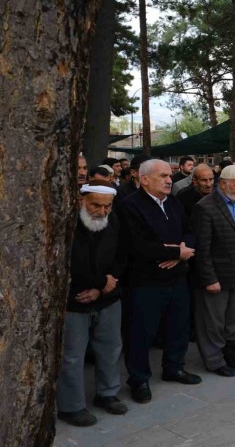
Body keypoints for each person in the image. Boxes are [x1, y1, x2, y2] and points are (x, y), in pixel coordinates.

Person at [119, 159, 201, 404]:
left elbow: (190, 231)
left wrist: (181, 251)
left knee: (178, 326)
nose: (169, 180)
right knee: (140, 333)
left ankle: (174, 367)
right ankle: (139, 379)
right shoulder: (129, 206)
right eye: (163, 176)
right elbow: (136, 245)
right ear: (144, 179)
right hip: (145, 281)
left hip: (176, 278)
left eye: (170, 175)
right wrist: (176, 253)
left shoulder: (173, 202)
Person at [57, 180, 127, 427]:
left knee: (110, 348)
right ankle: (71, 406)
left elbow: (122, 255)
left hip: (107, 296)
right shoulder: (67, 223)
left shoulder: (113, 220)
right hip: (75, 299)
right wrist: (98, 282)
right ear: (81, 201)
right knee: (72, 356)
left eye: (107, 206)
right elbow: (69, 261)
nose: (102, 211)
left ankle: (108, 393)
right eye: (96, 205)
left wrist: (103, 286)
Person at [192, 165, 235, 377]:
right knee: (213, 322)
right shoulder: (205, 207)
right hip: (216, 276)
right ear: (223, 184)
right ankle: (214, 361)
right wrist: (209, 278)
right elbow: (203, 248)